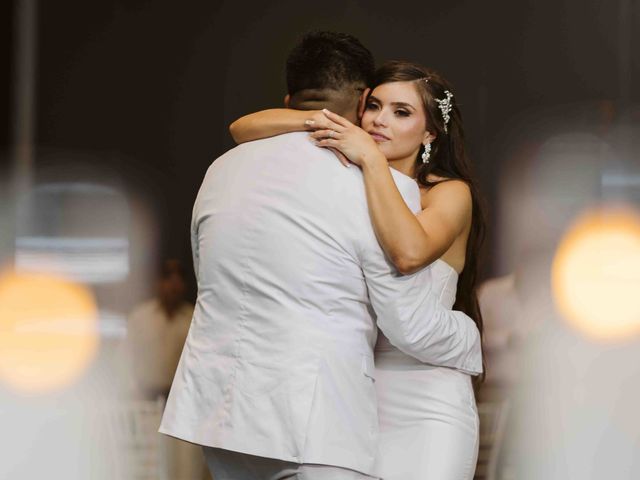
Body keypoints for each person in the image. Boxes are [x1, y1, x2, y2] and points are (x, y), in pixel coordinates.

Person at [160, 31, 482, 480]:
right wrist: (341, 139)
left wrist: (370, 159)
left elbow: (409, 254)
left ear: (430, 132)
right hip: (363, 392)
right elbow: (243, 127)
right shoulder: (355, 179)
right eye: (373, 106)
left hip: (424, 390)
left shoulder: (446, 192)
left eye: (401, 112)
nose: (379, 121)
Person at [127, 259, 194, 399]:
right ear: (158, 283)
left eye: (179, 278)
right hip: (145, 395)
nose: (173, 285)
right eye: (168, 277)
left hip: (182, 396)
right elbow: (127, 356)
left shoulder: (194, 319)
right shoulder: (140, 317)